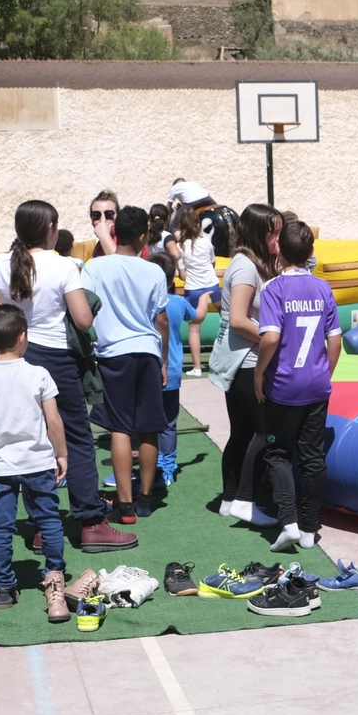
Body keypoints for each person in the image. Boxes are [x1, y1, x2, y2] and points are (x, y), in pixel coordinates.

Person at [0, 201, 136, 552]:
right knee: (77, 439)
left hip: (14, 356)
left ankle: (39, 525)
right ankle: (91, 522)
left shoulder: (2, 263)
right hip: (57, 359)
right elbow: (83, 320)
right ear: (51, 227)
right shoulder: (63, 265)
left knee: (31, 437)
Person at [0, 305, 72, 619]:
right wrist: (61, 453)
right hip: (38, 462)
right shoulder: (38, 374)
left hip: (1, 467)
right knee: (50, 520)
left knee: (1, 526)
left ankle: (3, 586)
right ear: (23, 337)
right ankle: (55, 576)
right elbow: (54, 421)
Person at [253, 220, 342, 552]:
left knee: (277, 452)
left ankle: (288, 521)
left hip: (284, 386)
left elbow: (271, 336)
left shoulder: (274, 289)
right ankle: (309, 528)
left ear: (278, 249)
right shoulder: (323, 288)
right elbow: (335, 341)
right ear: (311, 253)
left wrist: (259, 373)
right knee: (312, 457)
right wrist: (325, 373)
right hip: (317, 385)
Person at [84, 206, 170, 522]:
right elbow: (161, 320)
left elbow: (84, 311)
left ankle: (125, 505)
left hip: (111, 353)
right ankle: (146, 498)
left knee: (120, 427)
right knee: (149, 426)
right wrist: (162, 360)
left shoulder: (94, 267)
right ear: (144, 236)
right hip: (147, 351)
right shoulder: (155, 271)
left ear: (115, 232)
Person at [209, 203, 282, 527]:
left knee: (242, 431)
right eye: (273, 232)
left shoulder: (254, 264)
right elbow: (239, 319)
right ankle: (245, 500)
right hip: (244, 361)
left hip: (241, 358)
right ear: (257, 233)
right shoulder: (244, 268)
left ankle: (229, 498)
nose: (277, 239)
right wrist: (274, 338)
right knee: (264, 430)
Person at [147, 251, 194, 487]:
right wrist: (205, 300)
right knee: (168, 423)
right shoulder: (178, 302)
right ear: (172, 278)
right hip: (172, 370)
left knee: (147, 422)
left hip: (148, 369)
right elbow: (197, 316)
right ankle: (167, 468)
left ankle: (152, 466)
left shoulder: (145, 303)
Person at [167, 208, 218, 378]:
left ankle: (197, 367)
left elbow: (182, 275)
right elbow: (212, 264)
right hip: (213, 286)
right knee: (227, 321)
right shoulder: (207, 243)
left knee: (194, 329)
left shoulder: (181, 248)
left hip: (194, 289)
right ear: (197, 224)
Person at [87, 190, 120, 260]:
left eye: (109, 215)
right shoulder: (99, 244)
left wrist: (104, 236)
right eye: (96, 215)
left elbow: (120, 265)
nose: (103, 220)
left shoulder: (125, 240)